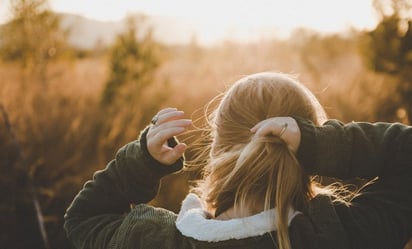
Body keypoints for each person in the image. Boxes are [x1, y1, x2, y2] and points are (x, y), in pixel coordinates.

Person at [64, 72, 412, 249]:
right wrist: (319, 145)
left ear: (217, 150)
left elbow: (82, 218)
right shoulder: (339, 235)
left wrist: (141, 162)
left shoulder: (157, 240)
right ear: (303, 154)